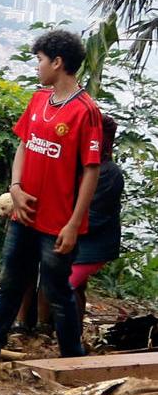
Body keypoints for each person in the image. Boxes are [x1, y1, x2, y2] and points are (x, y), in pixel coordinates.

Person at [0, 30, 103, 363]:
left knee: (59, 292)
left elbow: (91, 170)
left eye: (40, 60)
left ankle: (71, 360)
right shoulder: (38, 100)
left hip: (58, 221)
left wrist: (74, 224)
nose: (38, 66)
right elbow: (23, 144)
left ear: (57, 62)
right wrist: (15, 188)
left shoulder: (85, 111)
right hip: (24, 214)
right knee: (10, 283)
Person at [69, 114, 121, 327]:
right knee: (75, 286)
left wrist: (66, 227)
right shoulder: (81, 164)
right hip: (77, 236)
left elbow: (97, 216)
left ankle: (70, 338)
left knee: (65, 285)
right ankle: (72, 332)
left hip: (95, 244)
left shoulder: (110, 173)